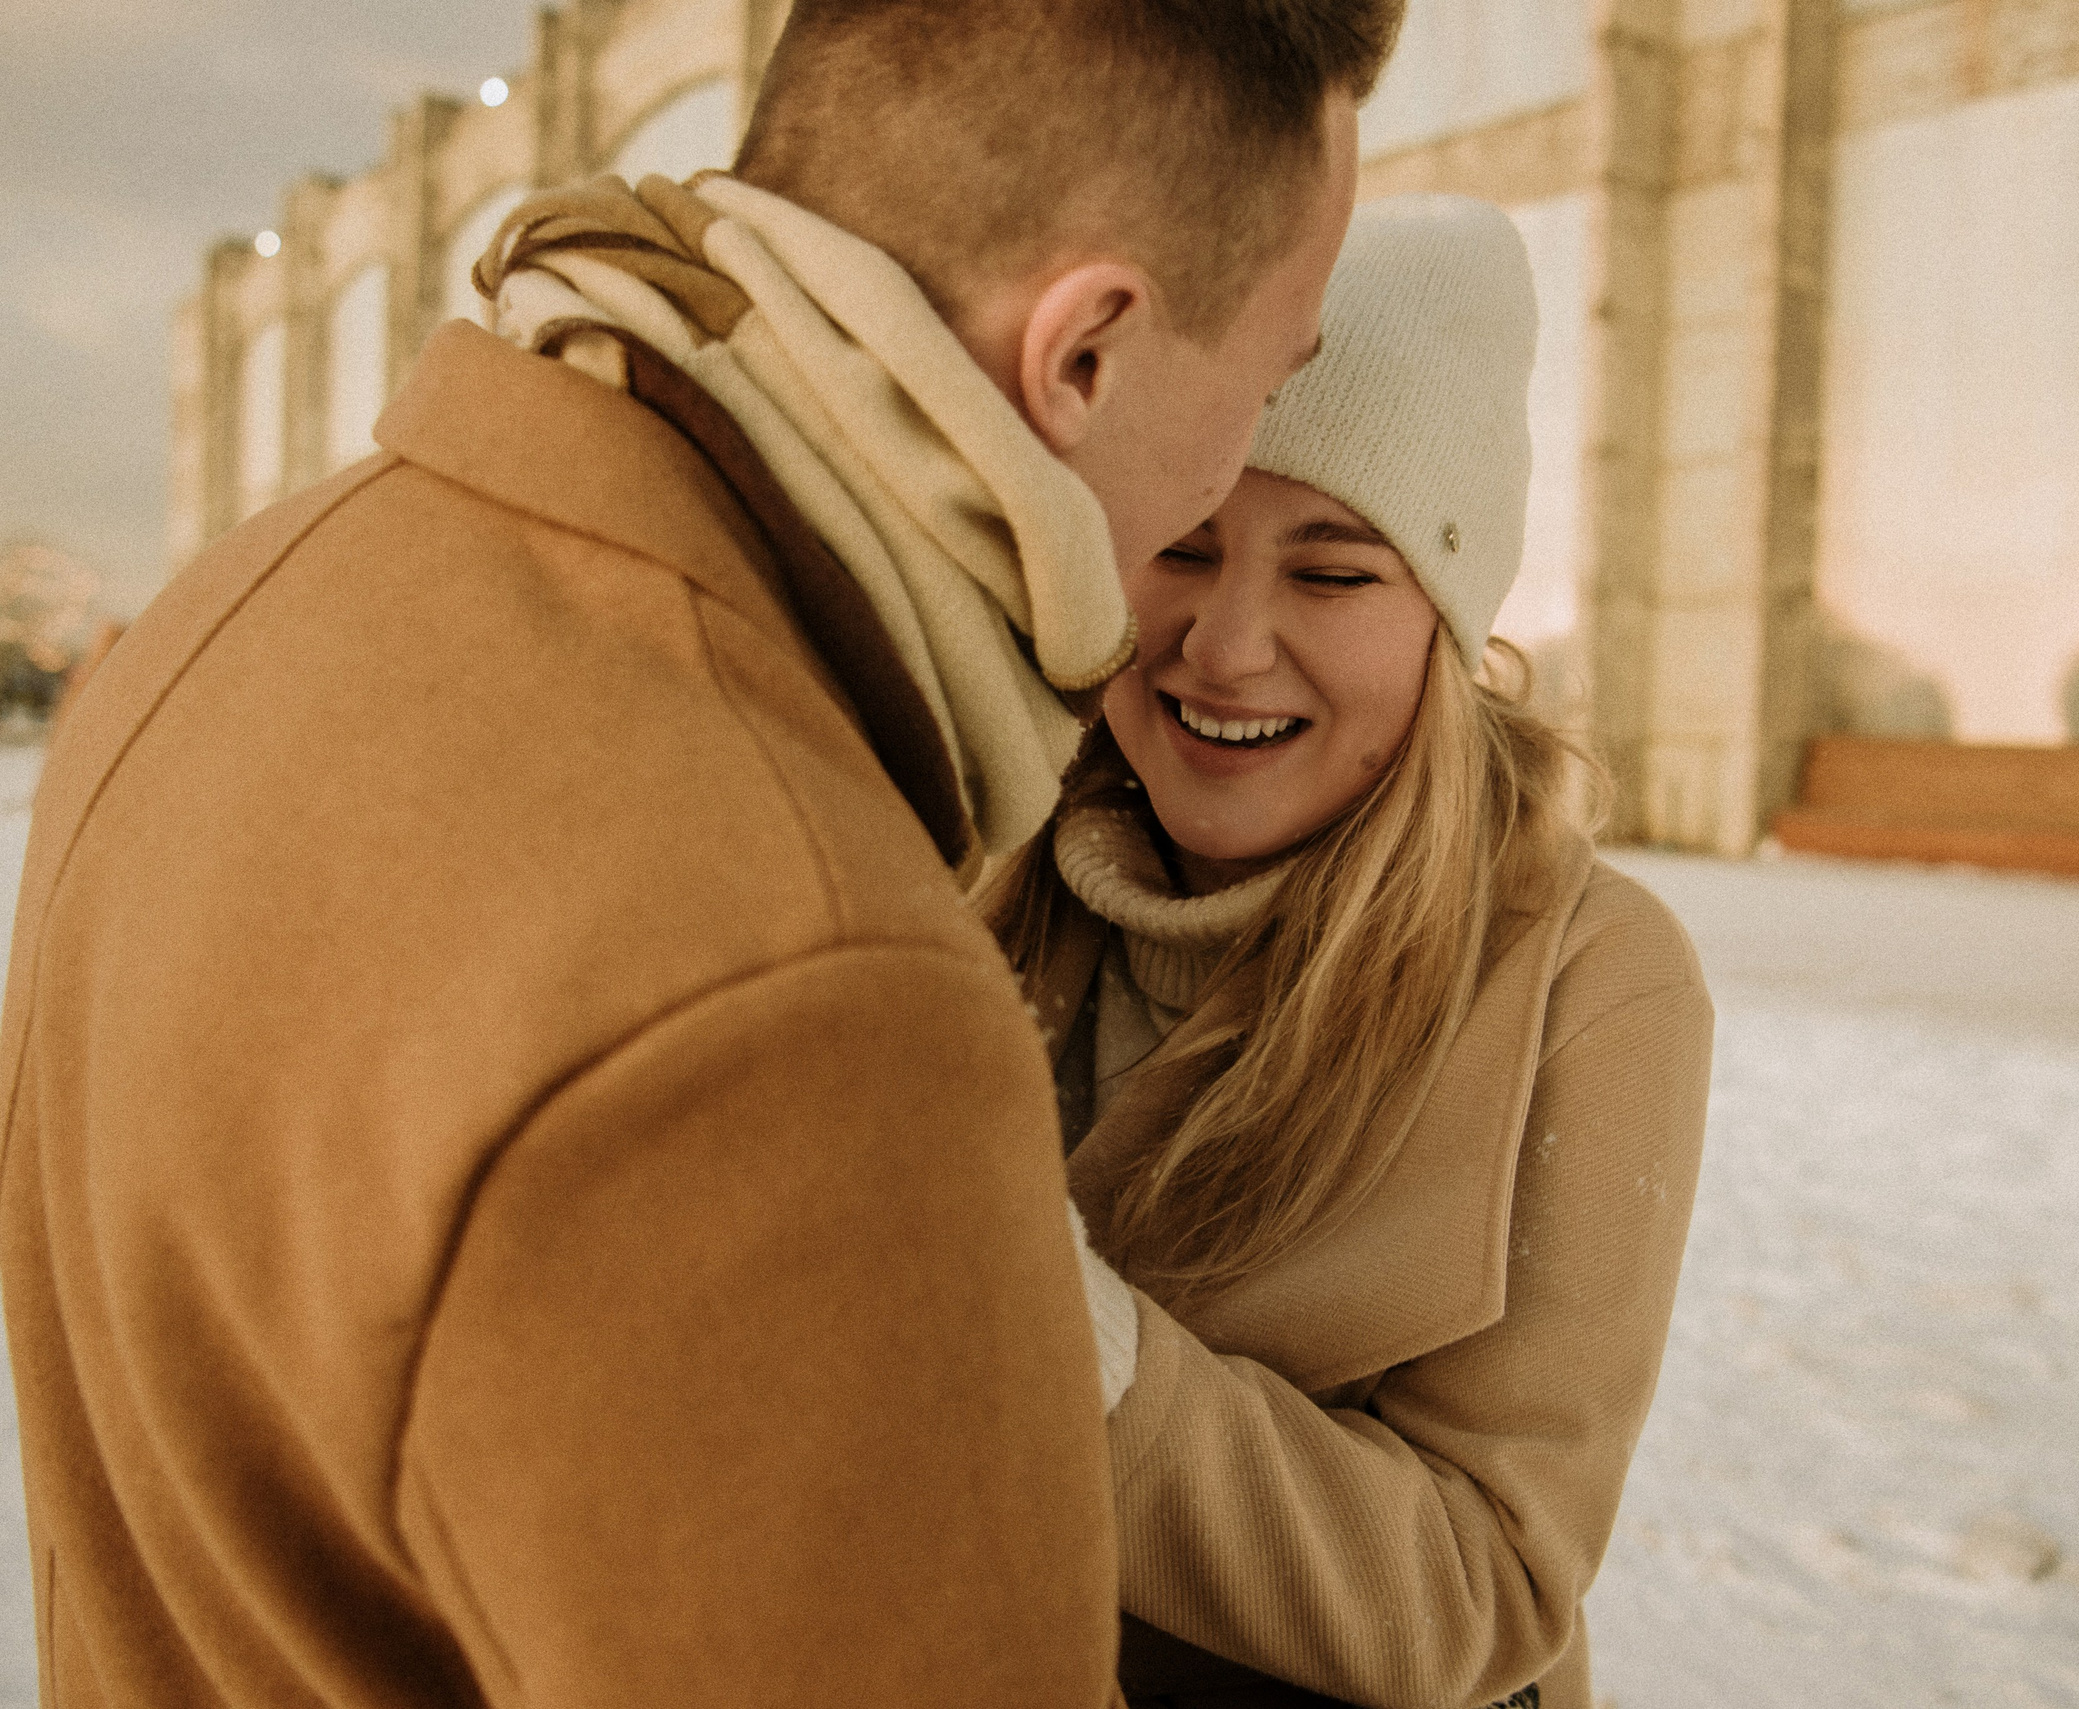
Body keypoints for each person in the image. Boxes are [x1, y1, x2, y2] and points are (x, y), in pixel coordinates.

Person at [0, 2, 1398, 1702]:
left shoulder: (237, 611)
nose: (1239, 467)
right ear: (1085, 356)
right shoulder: (801, 997)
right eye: (1268, 381)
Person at [981, 196, 1714, 1709]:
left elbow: (1483, 1589)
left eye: (1331, 573)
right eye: (1181, 547)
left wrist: (1062, 1337)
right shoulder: (983, 860)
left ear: (1449, 622)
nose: (1225, 644)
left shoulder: (1583, 983)